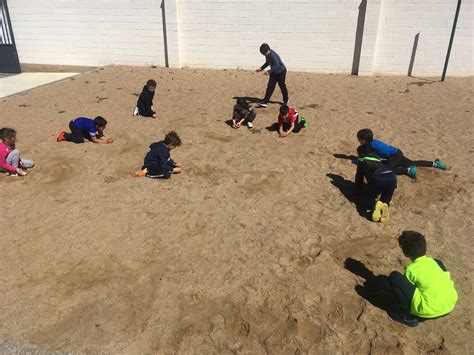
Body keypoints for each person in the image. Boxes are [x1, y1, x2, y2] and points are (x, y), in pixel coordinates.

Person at [388, 231, 458, 327]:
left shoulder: (410, 270)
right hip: (450, 304)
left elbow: (408, 293)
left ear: (405, 253)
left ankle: (408, 317)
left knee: (394, 277)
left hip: (427, 310)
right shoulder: (436, 262)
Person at [357, 128, 446, 179]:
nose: (358, 140)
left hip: (394, 156)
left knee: (386, 170)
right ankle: (435, 164)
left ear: (364, 140)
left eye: (359, 139)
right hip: (397, 152)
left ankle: (407, 170)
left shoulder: (371, 145)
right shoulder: (374, 142)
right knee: (412, 163)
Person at [355, 144, 397, 224]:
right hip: (392, 176)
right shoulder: (377, 159)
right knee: (386, 198)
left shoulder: (361, 161)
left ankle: (375, 204)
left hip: (379, 178)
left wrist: (358, 189)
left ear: (361, 154)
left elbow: (359, 177)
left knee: (368, 198)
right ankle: (383, 207)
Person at [256, 43, 288, 107]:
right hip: (274, 72)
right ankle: (265, 101)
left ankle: (285, 100)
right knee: (270, 86)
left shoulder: (272, 55)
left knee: (282, 86)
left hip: (281, 72)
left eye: (263, 52)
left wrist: (269, 71)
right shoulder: (267, 54)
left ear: (267, 50)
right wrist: (261, 68)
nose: (263, 54)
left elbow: (277, 65)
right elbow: (267, 62)